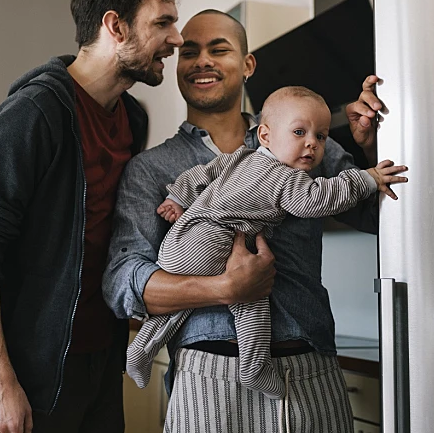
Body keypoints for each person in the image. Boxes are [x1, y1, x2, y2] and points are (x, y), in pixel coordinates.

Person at [103, 9, 390, 433]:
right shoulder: (153, 169)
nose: (201, 61)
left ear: (248, 65)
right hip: (207, 378)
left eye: (219, 49)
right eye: (188, 51)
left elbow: (378, 218)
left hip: (311, 372)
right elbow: (122, 281)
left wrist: (367, 148)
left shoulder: (307, 141)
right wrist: (223, 288)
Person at [0, 0, 187, 433]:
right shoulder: (36, 112)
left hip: (100, 365)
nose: (176, 38)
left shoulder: (132, 117)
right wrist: (2, 383)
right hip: (30, 372)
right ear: (115, 26)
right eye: (163, 22)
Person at [125, 86, 407, 397]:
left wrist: (179, 197)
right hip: (215, 242)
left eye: (321, 137)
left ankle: (141, 350)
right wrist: (366, 178)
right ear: (265, 136)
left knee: (177, 310)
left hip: (181, 242)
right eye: (299, 132)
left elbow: (201, 173)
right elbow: (318, 200)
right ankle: (254, 366)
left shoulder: (239, 158)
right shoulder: (287, 179)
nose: (311, 143)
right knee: (251, 294)